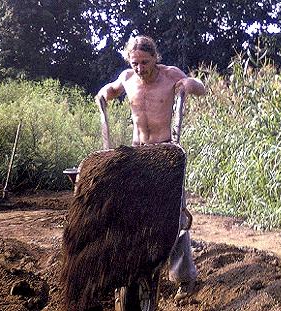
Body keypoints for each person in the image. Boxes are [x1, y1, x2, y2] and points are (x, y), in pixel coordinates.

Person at [95, 35, 206, 301]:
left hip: (166, 153)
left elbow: (200, 88)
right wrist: (104, 94)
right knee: (129, 213)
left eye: (145, 62)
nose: (140, 68)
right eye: (135, 63)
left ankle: (184, 278)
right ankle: (130, 267)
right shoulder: (127, 78)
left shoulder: (169, 76)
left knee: (175, 217)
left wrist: (190, 84)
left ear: (155, 58)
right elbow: (110, 89)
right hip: (137, 154)